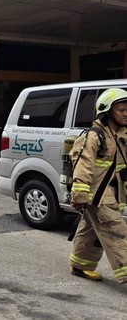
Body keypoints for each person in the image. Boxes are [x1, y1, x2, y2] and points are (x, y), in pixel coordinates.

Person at [69, 87, 127, 283]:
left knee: (90, 231)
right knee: (117, 233)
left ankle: (80, 265)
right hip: (99, 195)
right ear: (108, 110)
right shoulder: (94, 136)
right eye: (121, 109)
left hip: (114, 193)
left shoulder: (121, 135)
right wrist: (79, 196)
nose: (126, 113)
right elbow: (82, 167)